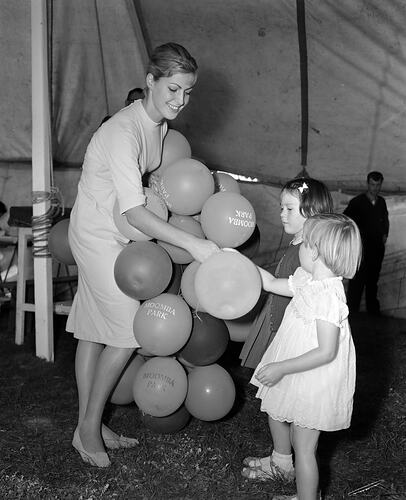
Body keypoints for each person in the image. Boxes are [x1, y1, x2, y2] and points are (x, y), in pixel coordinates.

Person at [66, 42, 219, 468]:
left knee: (93, 331)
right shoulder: (123, 130)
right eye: (172, 89)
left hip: (119, 232)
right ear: (150, 81)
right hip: (97, 234)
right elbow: (133, 210)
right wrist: (192, 242)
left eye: (187, 92)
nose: (180, 101)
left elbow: (143, 190)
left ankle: (89, 425)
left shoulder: (160, 128)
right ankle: (89, 431)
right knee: (126, 332)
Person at [242, 213, 362, 500]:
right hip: (301, 372)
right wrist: (240, 263)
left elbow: (326, 351)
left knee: (305, 449)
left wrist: (282, 367)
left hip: (313, 378)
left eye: (305, 243)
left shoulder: (328, 297)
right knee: (298, 439)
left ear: (317, 251)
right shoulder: (308, 279)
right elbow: (271, 284)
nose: (300, 248)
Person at [239, 177, 333, 481]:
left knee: (280, 403)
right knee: (273, 402)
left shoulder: (311, 255)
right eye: (281, 207)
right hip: (278, 330)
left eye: (289, 208)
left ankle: (284, 463)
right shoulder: (297, 245)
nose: (282, 214)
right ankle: (281, 459)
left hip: (291, 339)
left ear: (311, 213)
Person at [344, 171, 389, 315]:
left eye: (378, 185)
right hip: (360, 250)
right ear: (367, 184)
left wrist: (384, 234)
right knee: (357, 280)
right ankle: (351, 312)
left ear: (381, 185)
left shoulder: (381, 202)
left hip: (376, 249)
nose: (375, 188)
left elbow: (385, 221)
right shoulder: (357, 202)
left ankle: (373, 312)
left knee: (372, 280)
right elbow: (346, 221)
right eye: (372, 184)